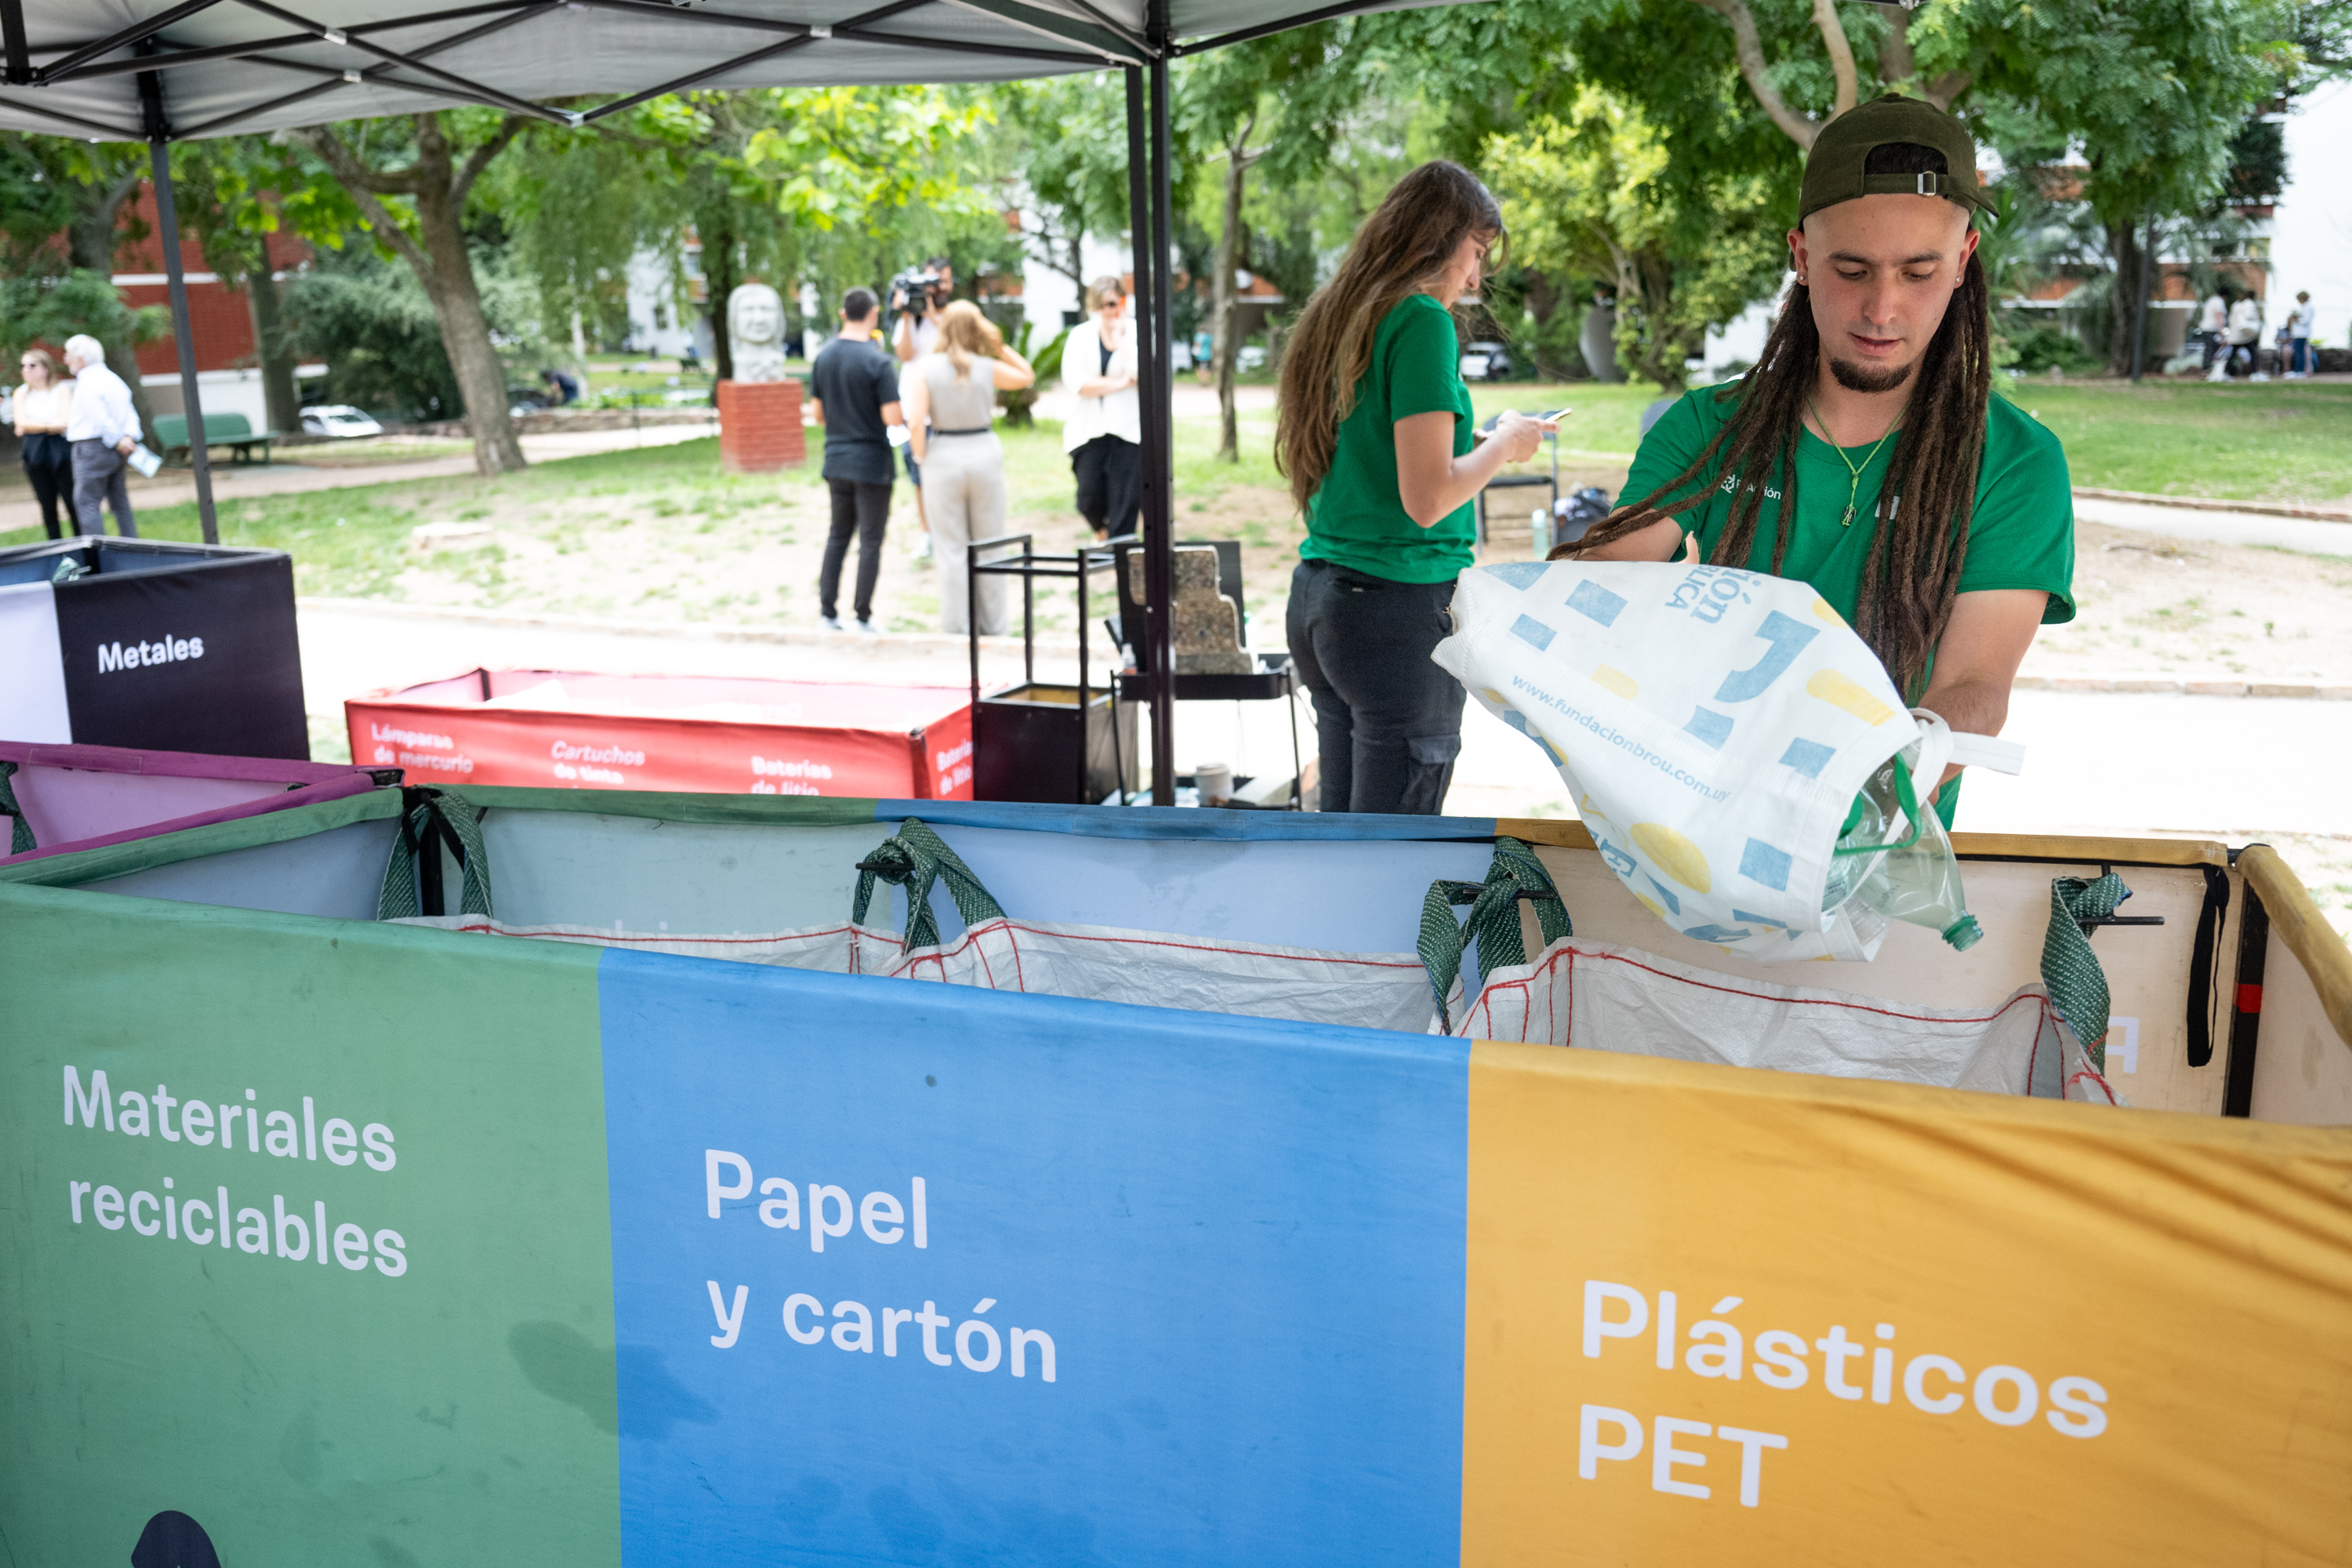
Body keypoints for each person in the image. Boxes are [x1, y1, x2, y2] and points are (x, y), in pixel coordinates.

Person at [1562, 94, 2073, 829]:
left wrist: (1865, 800)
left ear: (1963, 261)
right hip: (1687, 826)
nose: (1882, 310)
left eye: (1919, 272)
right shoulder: (1710, 428)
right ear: (1801, 257)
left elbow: (1974, 685)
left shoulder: (2016, 462)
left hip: (1876, 850)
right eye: (1852, 270)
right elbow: (1605, 587)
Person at [1274, 160, 1554, 815]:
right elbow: (1427, 500)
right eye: (1476, 251)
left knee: (1342, 843)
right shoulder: (1422, 320)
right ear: (1441, 237)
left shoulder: (1338, 316)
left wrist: (1476, 447)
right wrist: (1504, 444)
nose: (1476, 275)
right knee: (1390, 858)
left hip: (1322, 599)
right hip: (1392, 611)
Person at [905, 301, 1033, 637]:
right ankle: (995, 629)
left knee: (950, 550)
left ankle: (957, 631)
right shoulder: (986, 366)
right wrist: (999, 346)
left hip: (944, 454)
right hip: (984, 452)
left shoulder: (926, 368)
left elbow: (916, 420)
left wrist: (921, 456)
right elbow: (1026, 375)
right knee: (992, 545)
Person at [808, 287, 904, 633]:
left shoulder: (824, 356)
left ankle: (827, 612)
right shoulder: (877, 361)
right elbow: (893, 417)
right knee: (871, 540)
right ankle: (862, 615)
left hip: (836, 460)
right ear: (874, 314)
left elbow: (818, 413)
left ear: (842, 313)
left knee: (838, 536)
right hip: (871, 462)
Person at [1061, 275, 1142, 541]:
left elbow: (1141, 373)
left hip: (1129, 430)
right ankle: (1101, 533)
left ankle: (1122, 561)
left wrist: (1121, 343)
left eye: (1115, 303)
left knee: (1125, 502)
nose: (1110, 310)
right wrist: (1121, 383)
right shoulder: (1081, 334)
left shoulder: (1136, 331)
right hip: (1089, 429)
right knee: (1088, 496)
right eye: (1104, 305)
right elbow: (1077, 382)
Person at [891, 258, 956, 554]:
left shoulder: (955, 317)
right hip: (915, 412)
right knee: (919, 475)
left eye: (943, 281)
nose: (938, 287)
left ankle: (952, 529)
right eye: (932, 281)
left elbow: (957, 350)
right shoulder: (911, 319)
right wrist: (907, 315)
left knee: (951, 474)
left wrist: (932, 317)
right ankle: (926, 531)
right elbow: (905, 354)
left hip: (949, 412)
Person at [62, 333, 141, 539]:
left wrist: (118, 439)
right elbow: (129, 410)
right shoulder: (114, 380)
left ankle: (97, 556)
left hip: (92, 448)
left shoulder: (88, 383)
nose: (66, 359)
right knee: (120, 502)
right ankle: (132, 546)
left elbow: (100, 417)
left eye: (69, 355)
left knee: (86, 503)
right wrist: (128, 437)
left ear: (81, 358)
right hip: (116, 450)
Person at [13, 347, 75, 540]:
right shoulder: (21, 393)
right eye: (23, 366)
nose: (26, 370)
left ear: (46, 368)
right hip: (35, 451)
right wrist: (50, 425)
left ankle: (83, 548)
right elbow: (21, 422)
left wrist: (35, 426)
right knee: (47, 505)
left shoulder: (61, 390)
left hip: (60, 448)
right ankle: (56, 549)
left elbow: (64, 422)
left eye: (32, 365)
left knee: (72, 502)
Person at [2215, 290, 2264, 382]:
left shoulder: (2236, 305)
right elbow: (2248, 316)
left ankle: (2226, 373)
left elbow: (2231, 318)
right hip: (2244, 335)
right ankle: (2255, 373)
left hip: (2235, 334)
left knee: (2233, 354)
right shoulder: (2249, 304)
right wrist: (2257, 316)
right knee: (2253, 353)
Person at [2197, 287, 2229, 372]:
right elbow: (2219, 315)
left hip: (2207, 328)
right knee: (2211, 349)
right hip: (2212, 329)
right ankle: (2207, 369)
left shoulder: (2211, 300)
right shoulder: (2219, 301)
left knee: (2209, 349)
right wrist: (2221, 329)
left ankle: (2207, 368)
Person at [2287, 290, 2317, 379]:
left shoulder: (2308, 308)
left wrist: (2296, 319)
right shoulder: (2304, 307)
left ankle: (2299, 371)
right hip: (2298, 333)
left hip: (2302, 333)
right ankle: (2297, 370)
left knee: (2299, 352)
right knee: (2298, 352)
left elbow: (2306, 321)